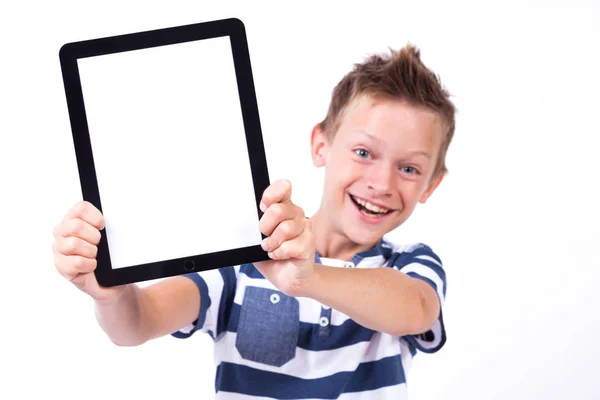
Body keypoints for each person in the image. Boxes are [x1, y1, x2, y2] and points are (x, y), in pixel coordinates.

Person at [53, 43, 456, 399]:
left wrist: (308, 279)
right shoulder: (244, 259)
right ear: (321, 145)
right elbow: (137, 324)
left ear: (431, 186)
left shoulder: (409, 265)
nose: (381, 184)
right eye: (364, 153)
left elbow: (416, 309)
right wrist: (112, 296)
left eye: (409, 169)